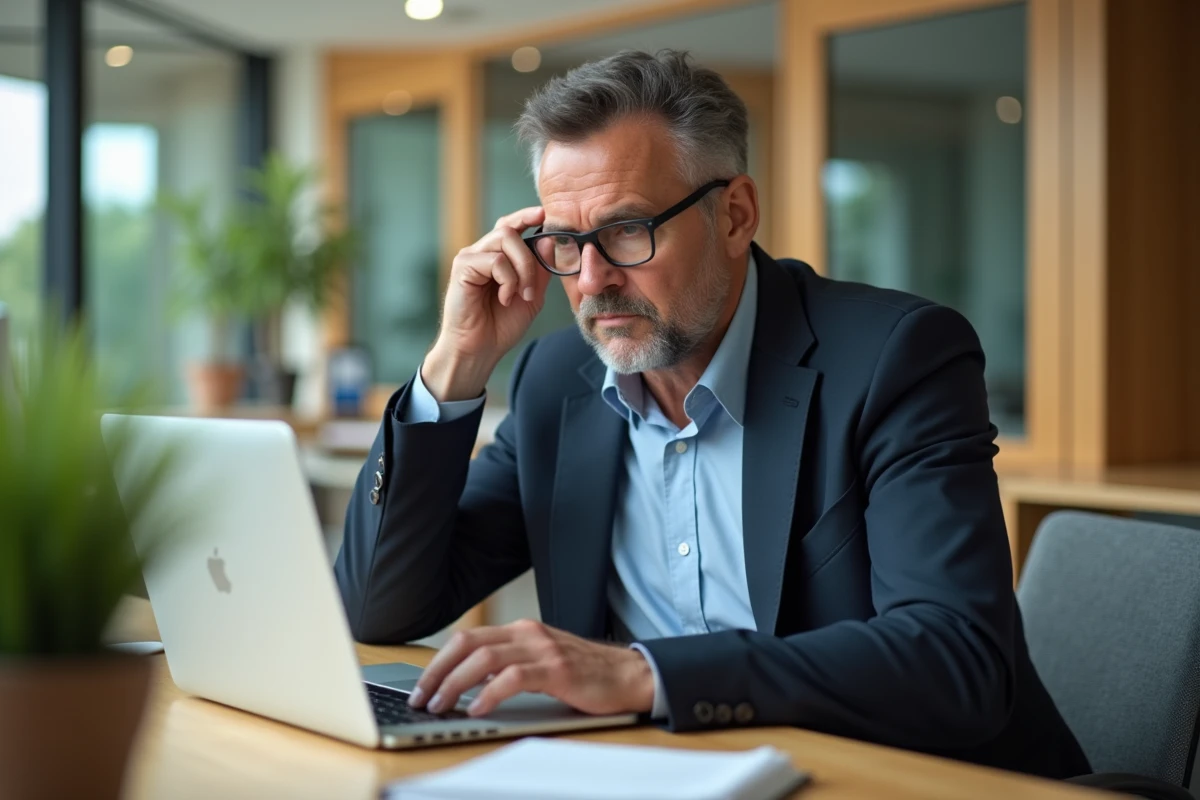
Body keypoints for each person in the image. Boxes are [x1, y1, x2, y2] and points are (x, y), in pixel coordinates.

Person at [334, 50, 1089, 779]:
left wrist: (643, 675)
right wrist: (455, 364)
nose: (592, 280)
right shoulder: (557, 383)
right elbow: (377, 610)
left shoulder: (896, 359)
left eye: (627, 230)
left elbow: (955, 662)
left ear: (735, 215)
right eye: (564, 241)